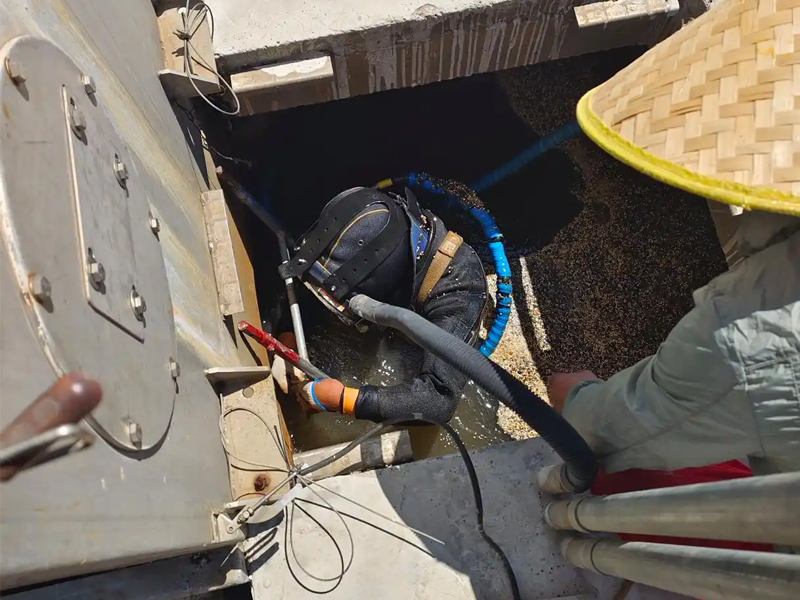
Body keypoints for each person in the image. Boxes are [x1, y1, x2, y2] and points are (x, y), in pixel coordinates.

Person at [548, 0, 800, 477]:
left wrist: (576, 395)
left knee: (598, 479)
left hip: (780, 530)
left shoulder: (750, 336)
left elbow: (612, 435)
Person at [273, 186, 487, 422]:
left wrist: (345, 400)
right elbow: (316, 280)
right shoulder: (358, 218)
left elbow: (439, 399)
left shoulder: (460, 291)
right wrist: (287, 338)